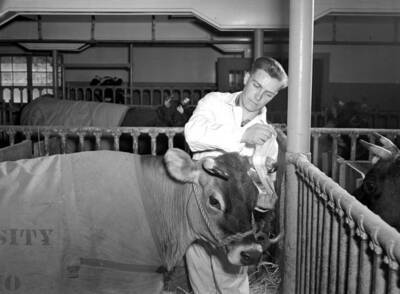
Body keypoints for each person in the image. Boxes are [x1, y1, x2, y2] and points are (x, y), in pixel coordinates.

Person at [184, 56, 288, 294]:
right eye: (256, 86)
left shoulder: (268, 137)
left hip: (234, 215)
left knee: (230, 273)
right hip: (199, 203)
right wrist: (241, 135)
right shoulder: (214, 102)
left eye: (269, 94)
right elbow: (192, 133)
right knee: (198, 264)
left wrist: (265, 198)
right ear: (246, 78)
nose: (259, 97)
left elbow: (265, 181)